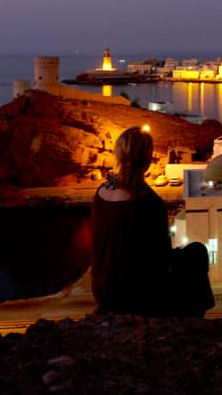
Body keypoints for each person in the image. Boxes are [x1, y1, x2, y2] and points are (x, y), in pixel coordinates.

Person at [90, 127, 214, 317]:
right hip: (137, 295)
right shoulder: (147, 201)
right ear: (147, 161)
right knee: (197, 252)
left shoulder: (100, 194)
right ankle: (192, 320)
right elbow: (161, 259)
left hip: (104, 290)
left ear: (119, 156)